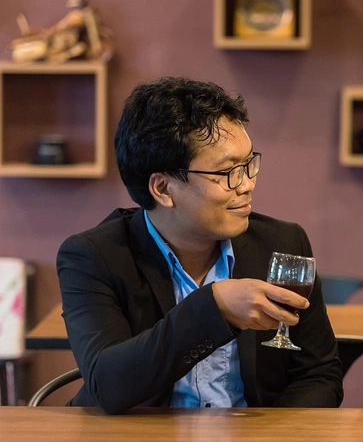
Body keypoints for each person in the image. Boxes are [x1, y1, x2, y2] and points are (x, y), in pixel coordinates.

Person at [57, 77, 343, 414]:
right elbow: (108, 384)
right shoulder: (93, 257)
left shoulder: (282, 243)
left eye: (249, 164)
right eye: (228, 172)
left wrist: (270, 435)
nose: (248, 184)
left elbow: (319, 375)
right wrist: (215, 307)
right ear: (163, 189)